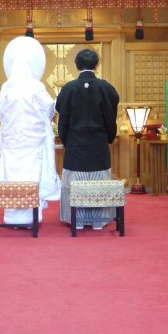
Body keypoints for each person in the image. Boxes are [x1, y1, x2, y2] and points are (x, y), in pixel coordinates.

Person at [0, 36, 60, 225]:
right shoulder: (36, 87)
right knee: (32, 177)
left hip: (13, 142)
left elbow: (1, 113)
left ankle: (13, 217)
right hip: (33, 142)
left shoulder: (6, 88)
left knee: (13, 177)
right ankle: (31, 217)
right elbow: (49, 110)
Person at [55, 47, 118, 229]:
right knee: (99, 182)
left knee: (74, 183)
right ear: (97, 65)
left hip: (75, 147)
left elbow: (63, 120)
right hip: (99, 147)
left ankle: (78, 220)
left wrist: (67, 140)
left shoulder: (68, 89)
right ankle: (99, 220)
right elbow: (110, 118)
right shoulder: (106, 88)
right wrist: (108, 138)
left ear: (76, 65)